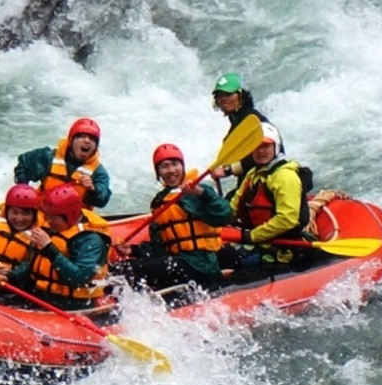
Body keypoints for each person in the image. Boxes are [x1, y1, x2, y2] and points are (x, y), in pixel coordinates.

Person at [112, 144, 231, 291]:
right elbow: (159, 248)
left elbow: (224, 215)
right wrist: (133, 250)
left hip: (201, 264)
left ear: (183, 166)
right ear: (158, 173)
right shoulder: (159, 202)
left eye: (175, 164)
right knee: (121, 268)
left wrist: (200, 194)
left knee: (128, 269)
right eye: (165, 166)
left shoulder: (198, 190)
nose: (171, 171)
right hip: (179, 262)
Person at [0, 183, 112, 310]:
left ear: (69, 217)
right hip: (39, 294)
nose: (48, 220)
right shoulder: (50, 228)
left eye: (53, 217)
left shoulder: (91, 241)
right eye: (47, 215)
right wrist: (11, 276)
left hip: (70, 303)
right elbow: (32, 264)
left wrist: (49, 248)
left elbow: (78, 278)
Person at [220, 121, 313, 269]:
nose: (260, 151)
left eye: (265, 146)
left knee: (224, 256)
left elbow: (287, 219)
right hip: (260, 239)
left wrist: (251, 236)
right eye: (255, 146)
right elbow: (232, 208)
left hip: (283, 247)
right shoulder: (253, 174)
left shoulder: (284, 177)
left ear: (276, 146)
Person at [207, 72, 279, 200]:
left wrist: (228, 170)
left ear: (241, 96)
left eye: (228, 94)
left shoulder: (252, 119)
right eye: (219, 96)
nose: (223, 99)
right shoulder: (238, 119)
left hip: (267, 184)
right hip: (251, 183)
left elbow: (262, 155)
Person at [13, 117, 112, 210]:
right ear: (71, 140)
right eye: (81, 136)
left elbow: (102, 201)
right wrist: (24, 190)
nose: (87, 141)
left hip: (74, 220)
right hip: (43, 212)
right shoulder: (48, 157)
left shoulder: (99, 172)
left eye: (92, 139)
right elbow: (24, 164)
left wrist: (92, 189)